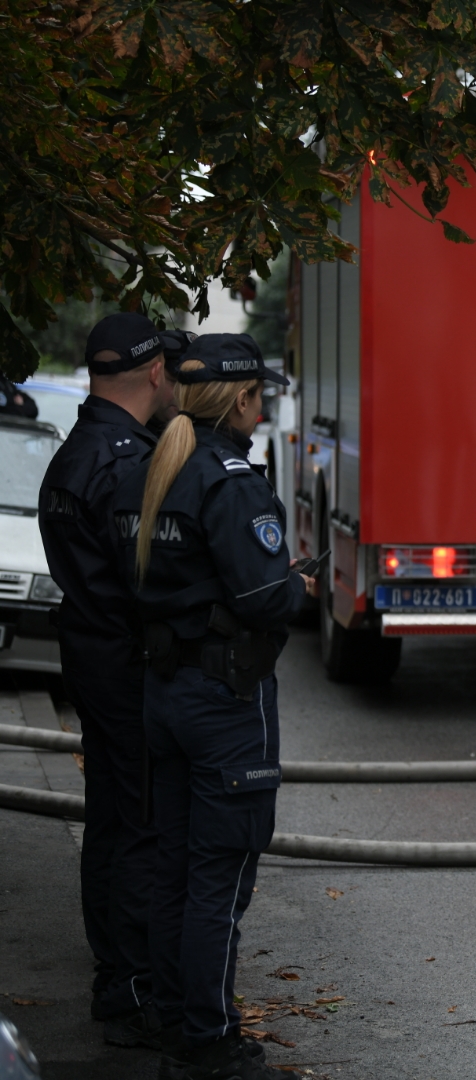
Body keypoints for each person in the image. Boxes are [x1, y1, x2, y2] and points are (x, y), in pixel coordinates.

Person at [111, 333, 314, 1080]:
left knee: (173, 869)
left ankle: (174, 1016)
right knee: (218, 881)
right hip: (224, 703)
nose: (264, 414)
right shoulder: (228, 478)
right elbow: (265, 597)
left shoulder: (147, 468)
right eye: (259, 397)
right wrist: (295, 584)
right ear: (239, 398)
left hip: (164, 691)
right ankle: (208, 1038)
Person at [36, 312, 182, 1047]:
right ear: (156, 372)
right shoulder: (127, 458)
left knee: (111, 818)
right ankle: (130, 982)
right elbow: (148, 576)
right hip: (127, 662)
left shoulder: (74, 451)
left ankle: (116, 972)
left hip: (92, 655)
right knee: (138, 821)